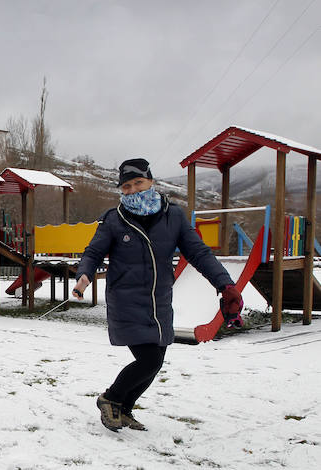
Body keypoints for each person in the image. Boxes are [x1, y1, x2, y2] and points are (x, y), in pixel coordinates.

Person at [72, 158, 244, 432]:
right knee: (149, 359)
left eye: (138, 183)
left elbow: (198, 253)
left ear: (151, 181)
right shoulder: (114, 219)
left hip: (159, 300)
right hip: (126, 300)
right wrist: (84, 275)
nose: (133, 190)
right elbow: (93, 252)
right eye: (126, 186)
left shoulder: (173, 216)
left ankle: (124, 409)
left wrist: (225, 285)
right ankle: (111, 398)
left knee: (156, 361)